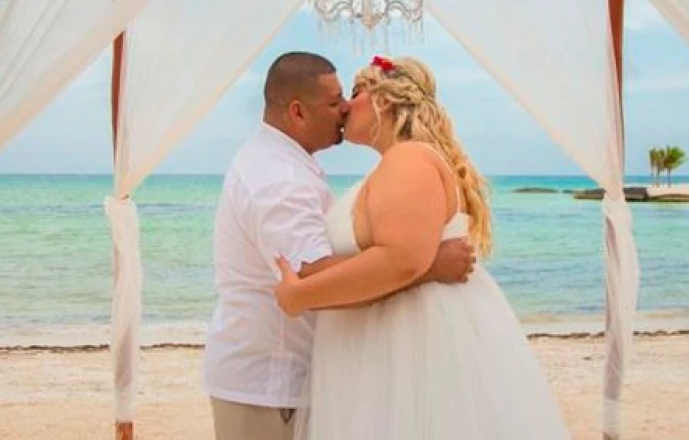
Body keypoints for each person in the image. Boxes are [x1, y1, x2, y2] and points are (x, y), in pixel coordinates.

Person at [275, 55, 570, 440]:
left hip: (410, 346)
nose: (346, 105)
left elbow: (400, 260)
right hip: (383, 347)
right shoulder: (397, 164)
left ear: (383, 100)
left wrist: (301, 295)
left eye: (356, 92)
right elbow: (399, 257)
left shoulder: (409, 159)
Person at [202, 52, 476, 440]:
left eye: (348, 96)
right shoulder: (279, 178)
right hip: (270, 388)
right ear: (297, 112)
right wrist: (428, 265)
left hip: (287, 382)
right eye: (333, 102)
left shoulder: (287, 164)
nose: (345, 107)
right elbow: (311, 279)